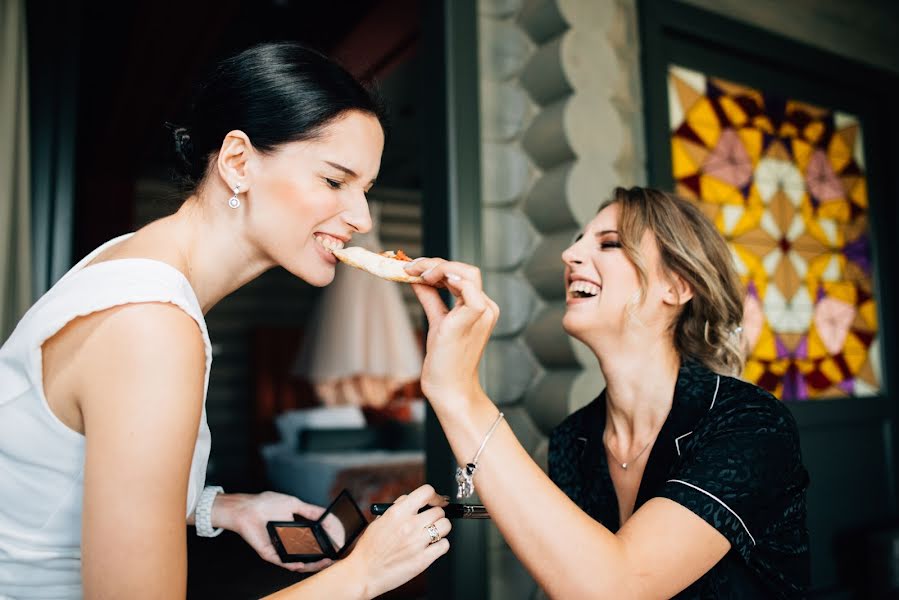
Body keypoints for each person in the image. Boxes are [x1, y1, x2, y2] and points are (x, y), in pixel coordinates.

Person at [0, 42, 450, 599]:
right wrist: (362, 576)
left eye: (367, 190)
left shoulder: (136, 262)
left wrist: (226, 508)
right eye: (335, 181)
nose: (360, 217)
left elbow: (63, 476)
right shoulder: (151, 323)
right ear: (237, 162)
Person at [404, 186, 810, 598]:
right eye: (577, 239)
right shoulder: (573, 439)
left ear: (677, 286)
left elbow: (618, 588)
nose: (569, 254)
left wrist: (458, 392)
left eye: (610, 243)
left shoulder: (751, 425)